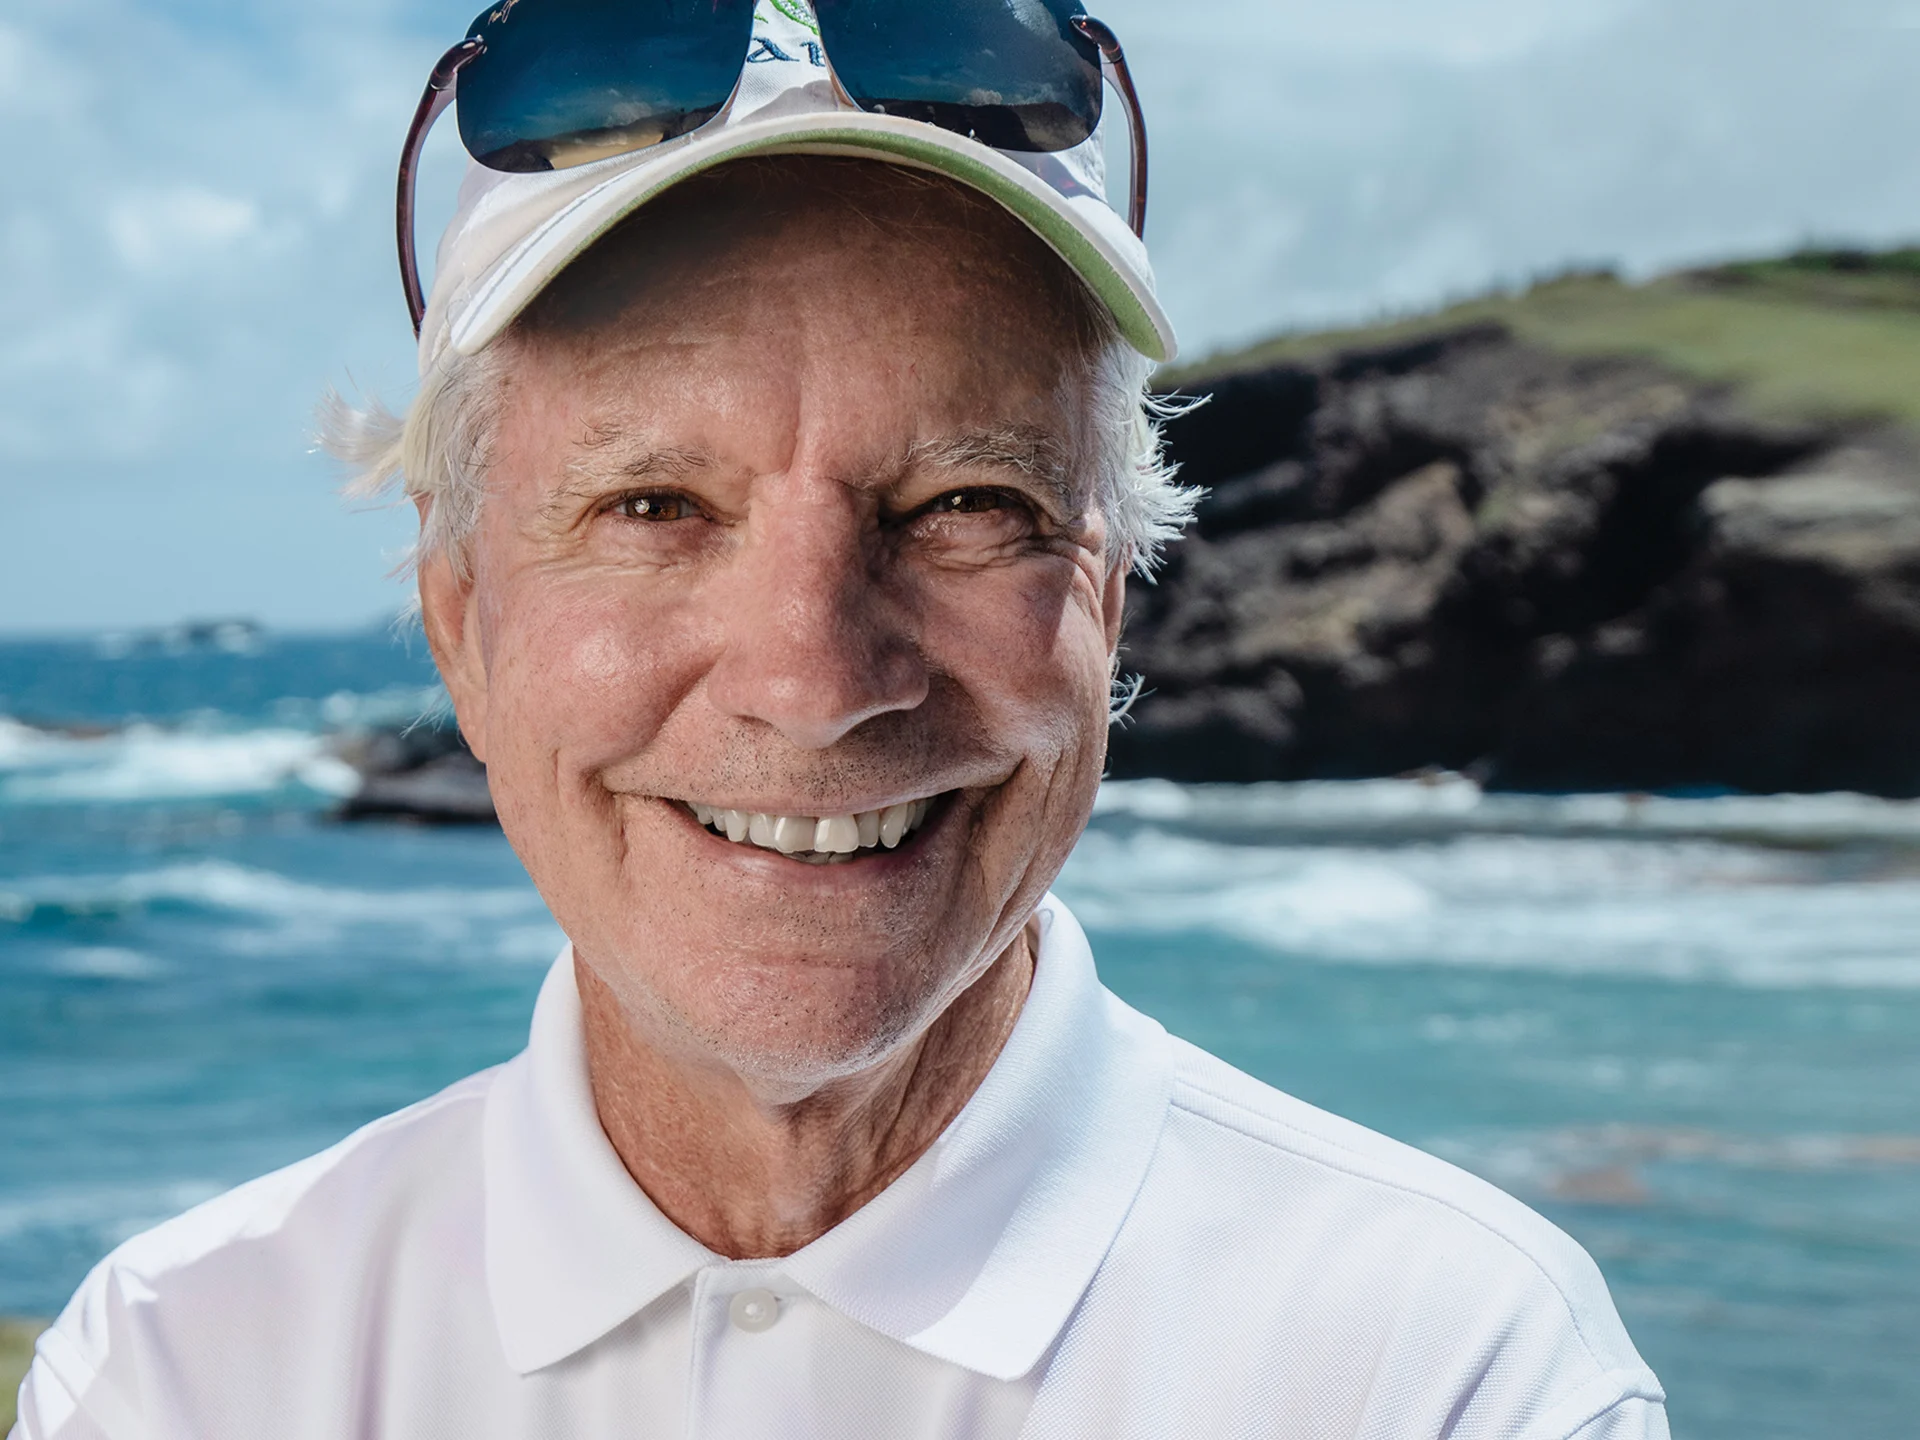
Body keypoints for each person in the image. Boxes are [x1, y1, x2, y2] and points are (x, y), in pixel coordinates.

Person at [13, 3, 1667, 1436]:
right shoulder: (187, 1371)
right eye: (655, 506)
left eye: (961, 501)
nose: (812, 682)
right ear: (462, 630)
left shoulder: (1445, 1375)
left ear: (1105, 592)